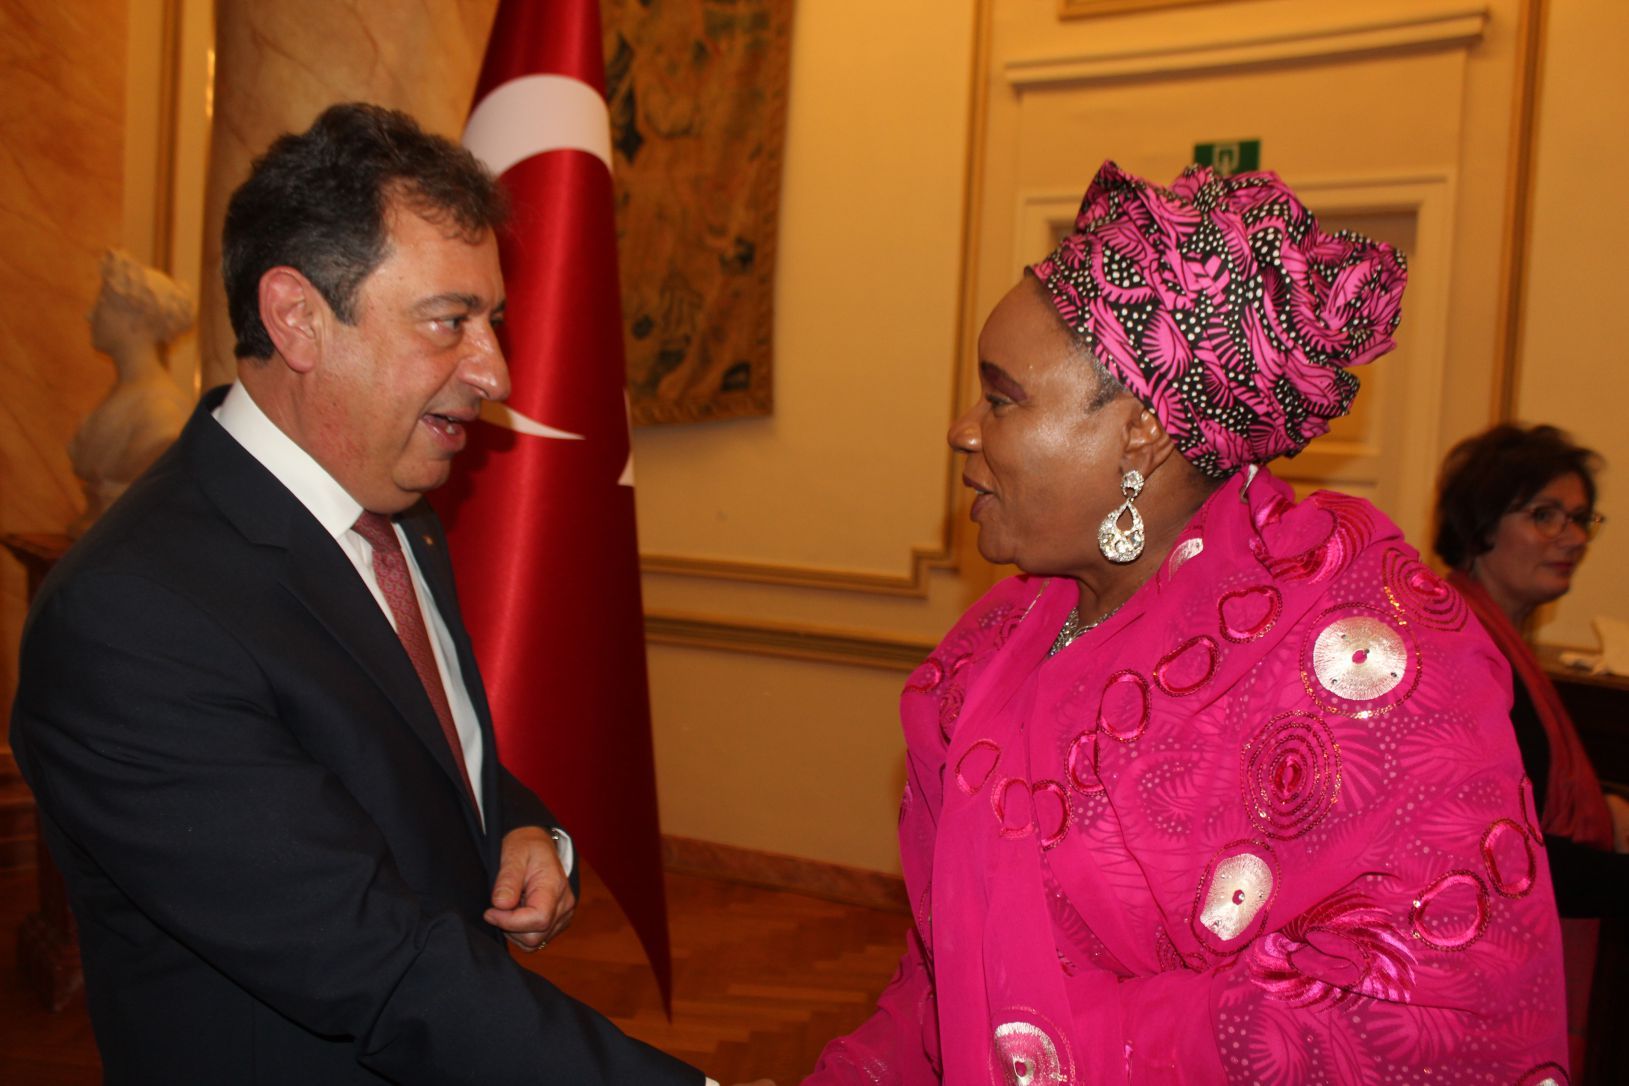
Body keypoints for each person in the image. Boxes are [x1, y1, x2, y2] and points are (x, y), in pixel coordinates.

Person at [11, 103, 726, 1084]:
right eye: (450, 322)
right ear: (298, 318)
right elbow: (379, 968)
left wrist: (519, 822)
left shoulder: (398, 516)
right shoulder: (132, 618)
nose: (496, 371)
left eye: (492, 321)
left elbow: (417, 749)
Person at [806, 162, 1568, 1083]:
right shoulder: (990, 650)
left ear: (1140, 431)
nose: (963, 429)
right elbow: (943, 970)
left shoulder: (1353, 655)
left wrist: (1034, 1044)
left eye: (1001, 398)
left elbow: (1426, 1013)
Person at [1434, 422, 1629, 1070]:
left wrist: (1605, 807)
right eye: (1544, 516)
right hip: (1472, 989)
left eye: (1579, 518)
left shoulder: (1495, 640)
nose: (1572, 538)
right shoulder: (1467, 653)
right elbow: (1517, 862)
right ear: (1479, 525)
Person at [68, 248, 195, 537]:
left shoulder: (161, 413)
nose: (90, 315)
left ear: (135, 318)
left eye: (102, 305)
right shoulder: (119, 397)